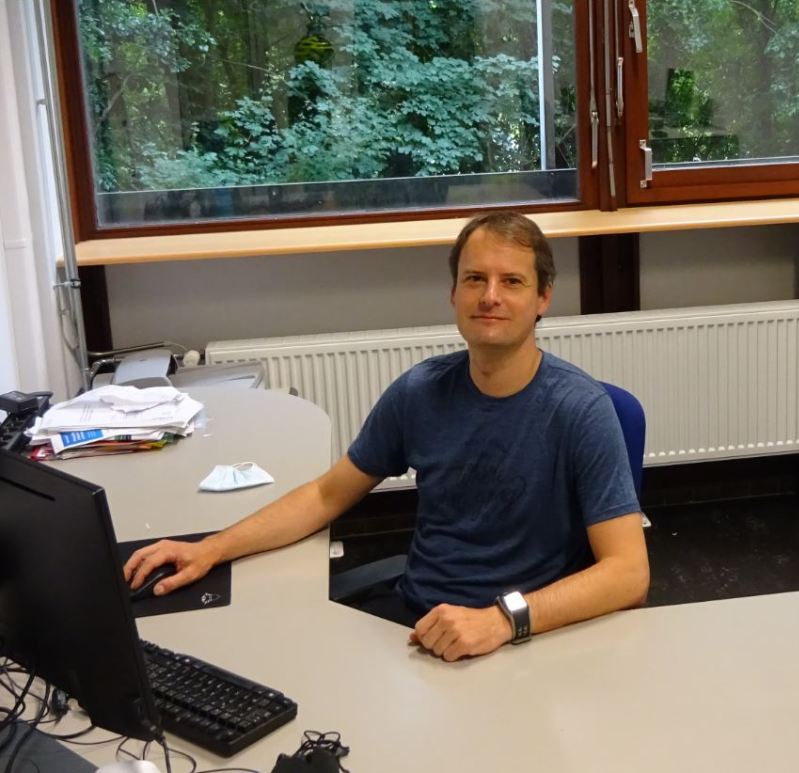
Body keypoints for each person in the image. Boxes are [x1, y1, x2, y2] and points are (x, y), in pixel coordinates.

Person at [125, 211, 649, 662]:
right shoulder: (419, 392)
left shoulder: (581, 411)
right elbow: (326, 494)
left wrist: (501, 620)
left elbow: (628, 572)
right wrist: (211, 549)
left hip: (521, 640)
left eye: (511, 281)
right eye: (474, 279)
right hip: (416, 625)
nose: (490, 297)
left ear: (543, 299)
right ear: (453, 294)